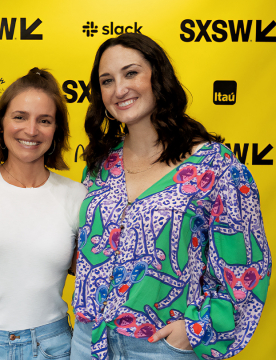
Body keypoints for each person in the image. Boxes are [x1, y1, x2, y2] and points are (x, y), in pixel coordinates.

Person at [70, 33, 271, 360]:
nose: (119, 89)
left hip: (159, 346)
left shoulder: (215, 166)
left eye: (131, 73)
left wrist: (195, 331)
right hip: (88, 340)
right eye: (107, 80)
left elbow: (246, 267)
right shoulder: (100, 166)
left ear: (158, 78)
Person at [0, 68, 86, 360]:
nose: (31, 130)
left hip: (53, 347)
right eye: (20, 117)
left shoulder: (77, 196)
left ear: (56, 131)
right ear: (1, 123)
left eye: (44, 120)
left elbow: (93, 275)